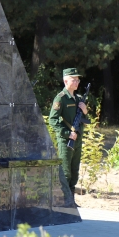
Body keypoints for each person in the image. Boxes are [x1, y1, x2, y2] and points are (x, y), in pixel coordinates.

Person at [49, 68, 88, 200]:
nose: (77, 82)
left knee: (74, 171)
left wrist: (85, 111)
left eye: (78, 80)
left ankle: (70, 201)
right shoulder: (61, 98)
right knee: (66, 172)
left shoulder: (79, 99)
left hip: (78, 139)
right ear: (65, 80)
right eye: (74, 79)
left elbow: (87, 121)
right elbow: (52, 120)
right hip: (66, 141)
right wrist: (67, 133)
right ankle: (63, 200)